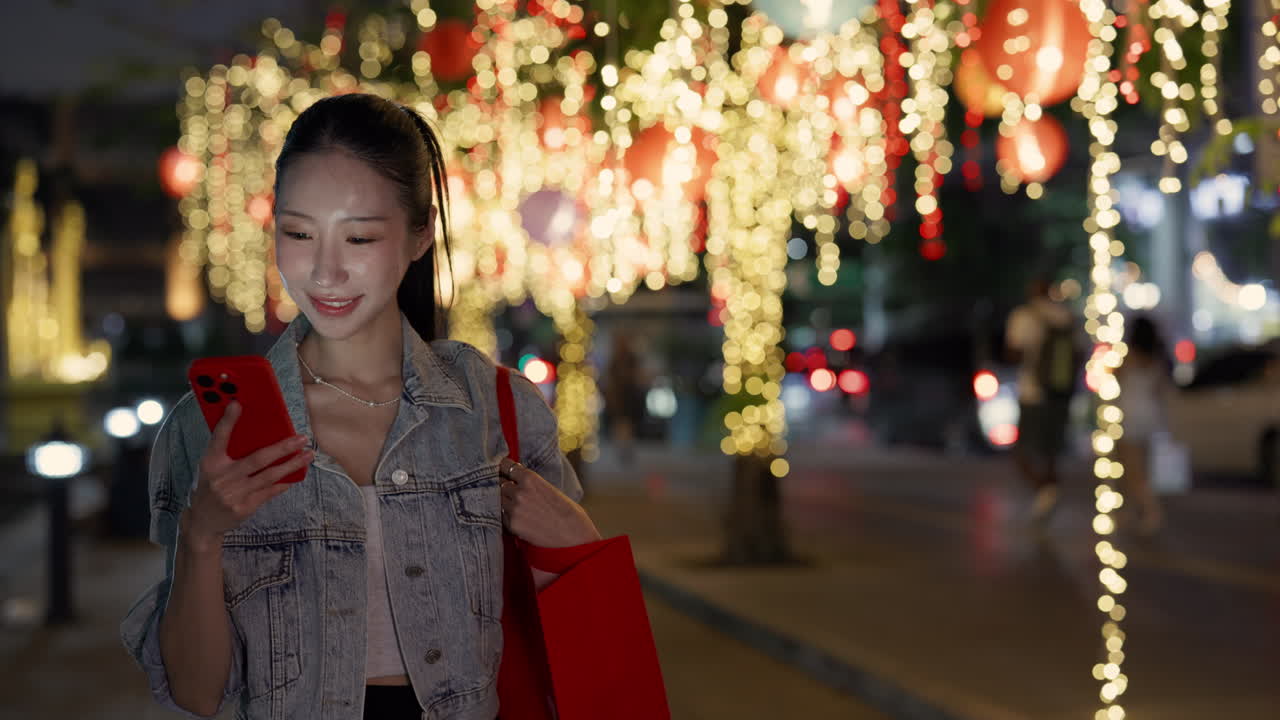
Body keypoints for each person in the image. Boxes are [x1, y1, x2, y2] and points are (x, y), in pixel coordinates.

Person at [121, 93, 602, 720]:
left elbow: (579, 643)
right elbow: (195, 691)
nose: (324, 271)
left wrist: (581, 545)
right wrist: (202, 535)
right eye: (298, 233)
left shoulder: (493, 408)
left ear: (420, 234)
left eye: (359, 237)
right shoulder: (206, 431)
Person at [1005, 275, 1077, 522]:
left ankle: (1045, 493)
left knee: (1022, 453)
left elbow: (1014, 352)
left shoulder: (1024, 316)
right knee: (1051, 453)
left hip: (1033, 391)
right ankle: (1047, 497)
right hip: (1060, 391)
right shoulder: (1066, 317)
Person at [1114, 315, 1169, 535]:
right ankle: (1133, 512)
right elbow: (1160, 389)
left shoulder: (1128, 356)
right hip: (1150, 414)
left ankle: (1150, 510)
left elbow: (1116, 377)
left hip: (1130, 414)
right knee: (1141, 467)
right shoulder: (1157, 358)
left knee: (1132, 470)